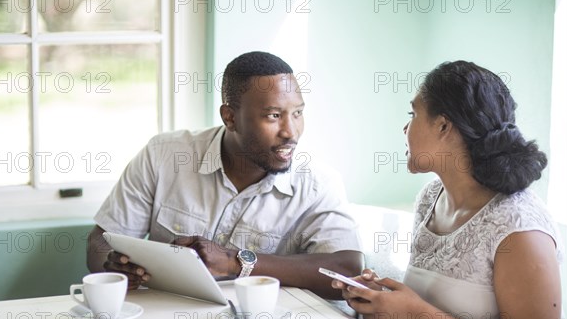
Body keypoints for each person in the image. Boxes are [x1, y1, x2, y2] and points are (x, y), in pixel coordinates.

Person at [334, 61, 563, 319]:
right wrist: (384, 303)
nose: (405, 128)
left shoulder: (519, 226)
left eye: (412, 114)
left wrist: (417, 315)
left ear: (444, 126)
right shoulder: (430, 199)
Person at [86, 51, 363, 299]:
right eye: (274, 115)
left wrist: (236, 261)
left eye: (298, 113)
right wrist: (117, 265)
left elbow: (346, 269)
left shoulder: (318, 184)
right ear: (230, 117)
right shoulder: (164, 155)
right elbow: (100, 241)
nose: (291, 132)